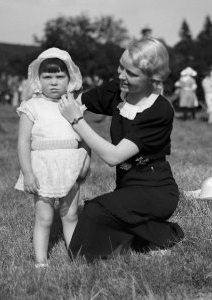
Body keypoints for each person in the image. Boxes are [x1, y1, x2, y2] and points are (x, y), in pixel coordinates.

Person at [59, 37, 184, 262]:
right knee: (107, 213)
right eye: (121, 66)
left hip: (156, 191)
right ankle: (143, 241)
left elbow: (113, 156)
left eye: (131, 73)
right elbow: (78, 102)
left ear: (152, 78)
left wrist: (77, 121)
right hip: (126, 187)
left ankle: (168, 234)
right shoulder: (118, 91)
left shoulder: (158, 110)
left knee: (95, 210)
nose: (121, 75)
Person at [14, 48, 91, 268]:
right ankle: (41, 261)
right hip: (43, 167)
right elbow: (23, 142)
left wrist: (86, 157)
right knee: (44, 217)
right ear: (38, 80)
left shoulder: (74, 105)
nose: (54, 82)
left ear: (70, 79)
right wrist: (27, 172)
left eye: (60, 77)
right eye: (47, 77)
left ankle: (76, 256)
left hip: (70, 164)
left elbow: (85, 136)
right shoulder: (32, 107)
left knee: (70, 215)